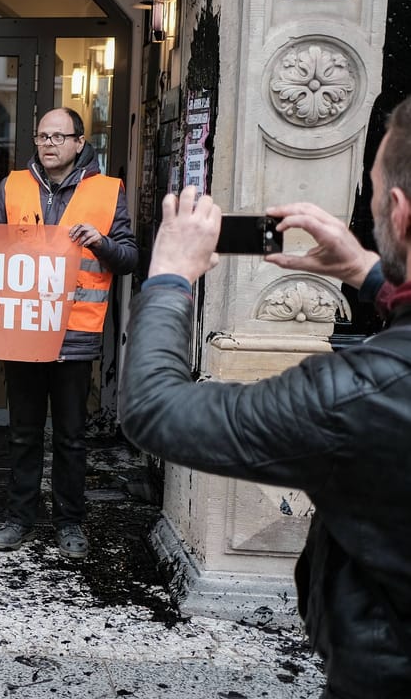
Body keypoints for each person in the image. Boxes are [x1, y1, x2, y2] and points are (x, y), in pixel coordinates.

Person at [120, 98, 411, 697]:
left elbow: (155, 409)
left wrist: (170, 277)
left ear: (400, 215)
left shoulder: (359, 392)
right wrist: (369, 273)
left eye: (375, 191)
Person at [0, 107, 138, 559]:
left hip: (74, 334)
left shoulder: (108, 191)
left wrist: (101, 241)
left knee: (72, 436)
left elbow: (129, 259)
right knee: (23, 432)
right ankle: (19, 518)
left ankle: (70, 524)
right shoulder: (13, 186)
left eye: (58, 136)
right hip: (25, 330)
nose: (48, 143)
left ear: (78, 142)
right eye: (42, 136)